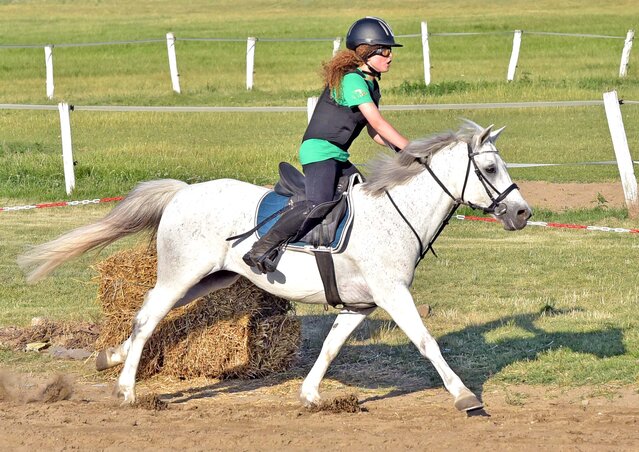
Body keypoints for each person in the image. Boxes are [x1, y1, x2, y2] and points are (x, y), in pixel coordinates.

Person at [243, 16, 410, 273]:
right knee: (318, 204)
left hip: (338, 156)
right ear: (367, 53)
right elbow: (377, 122)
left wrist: (399, 150)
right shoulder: (352, 80)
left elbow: (371, 132)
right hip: (319, 151)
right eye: (384, 51)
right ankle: (262, 247)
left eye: (390, 51)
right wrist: (412, 150)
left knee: (362, 200)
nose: (390, 56)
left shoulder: (371, 83)